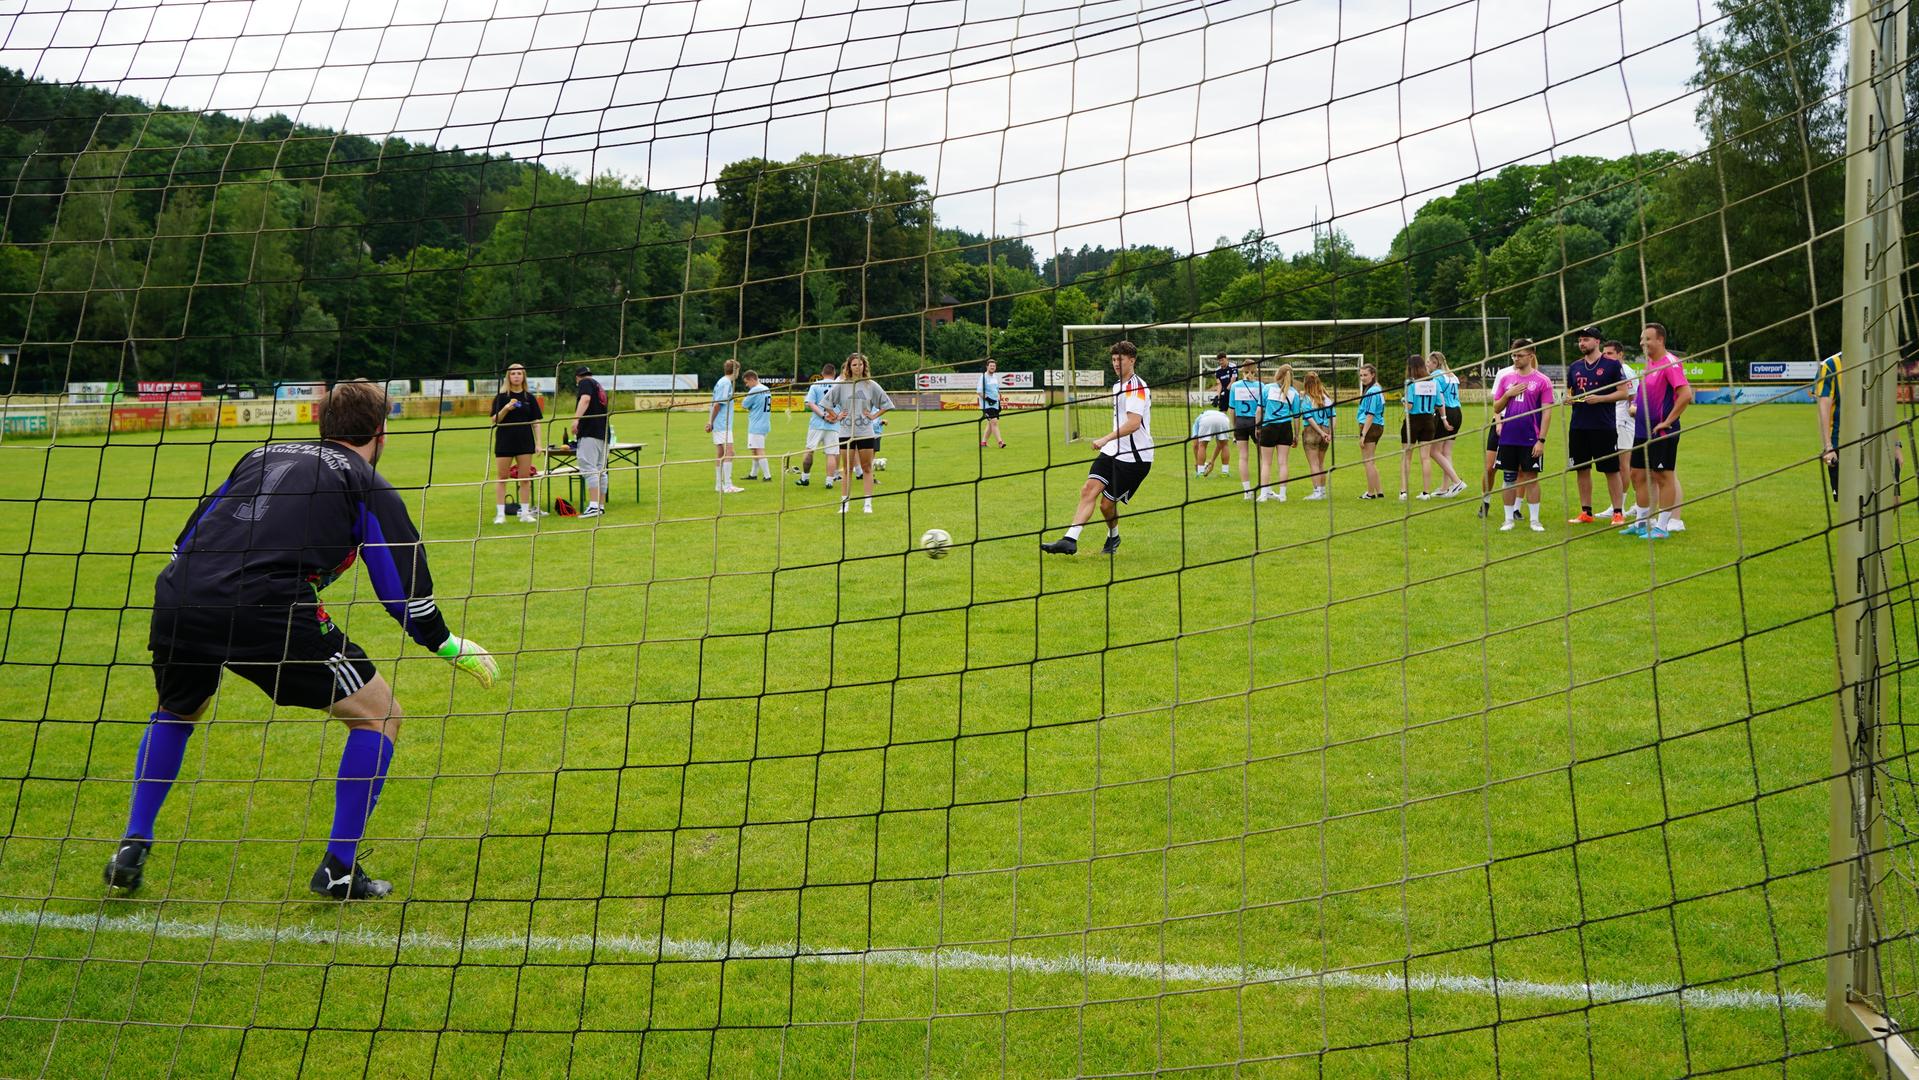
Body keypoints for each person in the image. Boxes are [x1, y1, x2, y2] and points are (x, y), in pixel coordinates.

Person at [108, 379, 498, 901]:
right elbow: (402, 589)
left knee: (178, 710)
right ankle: (338, 869)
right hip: (265, 605)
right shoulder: (365, 479)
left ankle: (133, 843)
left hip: (180, 593)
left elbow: (189, 535)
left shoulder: (259, 453)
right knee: (380, 715)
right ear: (380, 432)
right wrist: (446, 643)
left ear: (322, 424)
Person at [1042, 340, 1153, 555]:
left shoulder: (1137, 387)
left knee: (1106, 506)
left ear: (1132, 360)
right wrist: (1109, 443)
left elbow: (1133, 423)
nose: (1116, 363)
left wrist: (1105, 438)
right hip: (1113, 451)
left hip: (1135, 459)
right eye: (1113, 360)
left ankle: (1114, 537)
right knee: (1088, 489)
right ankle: (1070, 540)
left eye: (1120, 359)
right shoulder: (1116, 385)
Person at [1622, 323, 1693, 539]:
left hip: (1662, 432)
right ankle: (1642, 522)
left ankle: (1662, 527)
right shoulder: (1649, 364)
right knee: (1637, 474)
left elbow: (1686, 395)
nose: (1643, 343)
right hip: (1642, 430)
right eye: (1642, 339)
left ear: (1660, 340)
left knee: (1663, 476)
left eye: (1648, 339)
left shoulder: (1670, 363)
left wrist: (1668, 421)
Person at [1816, 350, 1908, 501]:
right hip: (1844, 447)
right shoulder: (1830, 365)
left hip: (1881, 443)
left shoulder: (1880, 363)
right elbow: (1823, 408)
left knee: (1893, 501)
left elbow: (1887, 407)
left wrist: (1896, 445)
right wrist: (1828, 447)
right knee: (1853, 507)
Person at [1564, 327, 1630, 524]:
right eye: (1580, 340)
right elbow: (1570, 392)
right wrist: (1568, 399)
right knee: (1581, 469)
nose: (1582, 343)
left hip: (1603, 426)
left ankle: (1618, 512)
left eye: (1586, 339)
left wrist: (1600, 399)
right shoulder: (1575, 366)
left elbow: (1623, 393)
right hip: (1578, 426)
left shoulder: (1611, 365)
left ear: (1597, 341)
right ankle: (1586, 512)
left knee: (1611, 469)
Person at [1492, 338, 1554, 532]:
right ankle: (1508, 519)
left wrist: (1541, 440)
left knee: (1531, 478)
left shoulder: (1542, 381)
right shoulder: (1506, 379)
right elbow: (1496, 407)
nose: (1515, 358)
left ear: (1531, 355)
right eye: (1514, 355)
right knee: (1508, 478)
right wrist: (1507, 395)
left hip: (1530, 438)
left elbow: (1547, 413)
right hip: (1508, 437)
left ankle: (1534, 520)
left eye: (1519, 355)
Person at [832, 353, 893, 514]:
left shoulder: (871, 385)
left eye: (860, 364)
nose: (857, 367)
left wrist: (873, 416)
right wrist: (837, 416)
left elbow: (887, 404)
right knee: (847, 469)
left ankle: (868, 504)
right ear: (848, 367)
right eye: (854, 365)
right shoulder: (842, 385)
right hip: (846, 432)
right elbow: (826, 402)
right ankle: (844, 503)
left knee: (867, 467)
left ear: (864, 366)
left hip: (866, 432)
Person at [490, 362, 543, 524]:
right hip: (505, 441)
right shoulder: (501, 397)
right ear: (508, 376)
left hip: (525, 442)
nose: (516, 376)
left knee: (525, 478)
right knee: (502, 477)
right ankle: (500, 514)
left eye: (519, 373)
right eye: (513, 374)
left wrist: (538, 443)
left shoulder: (529, 398)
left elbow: (536, 422)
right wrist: (506, 408)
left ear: (524, 376)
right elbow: (494, 420)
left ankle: (525, 513)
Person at [1424, 352, 1467, 497]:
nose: (1427, 365)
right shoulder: (1452, 375)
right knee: (1446, 452)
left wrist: (1442, 418)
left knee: (1433, 451)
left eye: (1428, 362)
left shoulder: (1436, 376)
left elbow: (1439, 397)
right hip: (1457, 412)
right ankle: (1445, 487)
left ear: (1435, 363)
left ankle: (1457, 482)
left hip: (1446, 412)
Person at [569, 365, 609, 518]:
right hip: (603, 432)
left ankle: (593, 506)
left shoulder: (585, 383)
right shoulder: (598, 385)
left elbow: (585, 400)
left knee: (588, 467)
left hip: (590, 431)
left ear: (577, 378)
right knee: (600, 470)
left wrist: (576, 420)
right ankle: (600, 505)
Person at [1479, 353, 1517, 519]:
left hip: (1521, 425)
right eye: (1515, 354)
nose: (1517, 357)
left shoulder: (1536, 376)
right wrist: (1499, 423)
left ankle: (1516, 508)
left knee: (1520, 470)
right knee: (1490, 467)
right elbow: (1497, 402)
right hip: (1501, 423)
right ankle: (1485, 501)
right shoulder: (1504, 373)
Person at [1606, 339, 1639, 524]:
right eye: (1605, 353)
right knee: (1620, 465)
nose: (1606, 357)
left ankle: (1620, 506)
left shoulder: (1624, 371)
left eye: (1610, 353)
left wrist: (1631, 412)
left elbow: (1633, 397)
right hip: (1615, 421)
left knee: (1623, 464)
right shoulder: (1613, 370)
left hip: (1624, 422)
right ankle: (1625, 504)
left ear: (1620, 354)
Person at [1255, 363, 1298, 502]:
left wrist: (1257, 427)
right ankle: (1283, 495)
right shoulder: (1294, 393)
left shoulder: (1267, 388)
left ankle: (1263, 494)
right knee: (1283, 463)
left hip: (1269, 427)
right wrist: (1296, 435)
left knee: (1266, 463)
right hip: (1286, 428)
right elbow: (1296, 417)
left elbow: (1259, 410)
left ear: (1278, 374)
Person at [1399, 354, 1437, 499]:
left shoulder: (1411, 384)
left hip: (1413, 421)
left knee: (1406, 457)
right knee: (1425, 458)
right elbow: (1438, 403)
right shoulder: (1433, 383)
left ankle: (1403, 492)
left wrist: (1403, 399)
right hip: (1428, 420)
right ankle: (1426, 493)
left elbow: (1409, 406)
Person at [797, 362, 841, 487]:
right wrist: (835, 417)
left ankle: (805, 478)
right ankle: (829, 482)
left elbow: (810, 403)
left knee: (810, 450)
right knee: (831, 453)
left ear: (822, 373)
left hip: (816, 423)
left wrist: (822, 415)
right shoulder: (839, 386)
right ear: (834, 374)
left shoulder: (815, 385)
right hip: (834, 424)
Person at [1228, 359, 1266, 499]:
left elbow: (1231, 410)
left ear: (1242, 371)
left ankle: (1247, 491)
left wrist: (1234, 428)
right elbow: (1263, 408)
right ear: (1255, 370)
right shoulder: (1261, 386)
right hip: (1256, 422)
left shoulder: (1235, 386)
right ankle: (1265, 489)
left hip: (1241, 422)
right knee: (1264, 458)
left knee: (1243, 457)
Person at [706, 358, 743, 494]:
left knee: (721, 453)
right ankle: (727, 485)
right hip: (723, 424)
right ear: (736, 370)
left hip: (721, 423)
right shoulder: (726, 383)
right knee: (729, 452)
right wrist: (710, 422)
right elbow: (717, 405)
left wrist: (710, 421)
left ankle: (719, 485)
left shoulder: (722, 382)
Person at [1298, 370, 1335, 499]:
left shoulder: (1306, 398)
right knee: (1321, 463)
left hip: (1312, 432)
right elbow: (1333, 417)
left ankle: (1317, 492)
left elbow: (1309, 418)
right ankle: (1323, 491)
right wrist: (1329, 433)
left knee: (1313, 463)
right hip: (1326, 429)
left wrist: (1320, 432)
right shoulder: (1327, 398)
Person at [1356, 363, 1386, 498]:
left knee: (1367, 461)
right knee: (1371, 461)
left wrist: (1363, 434)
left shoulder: (1373, 391)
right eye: (1361, 375)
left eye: (1365, 375)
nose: (1363, 378)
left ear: (1373, 375)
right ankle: (1379, 491)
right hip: (1376, 425)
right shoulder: (1375, 388)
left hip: (1371, 427)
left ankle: (1370, 493)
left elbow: (1370, 414)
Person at [740, 369, 774, 481]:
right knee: (754, 449)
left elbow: (744, 404)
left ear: (752, 379)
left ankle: (767, 476)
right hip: (765, 423)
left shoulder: (755, 390)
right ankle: (753, 474)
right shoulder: (766, 388)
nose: (747, 385)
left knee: (759, 450)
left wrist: (749, 406)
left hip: (756, 425)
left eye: (747, 382)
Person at [1190, 406, 1232, 476]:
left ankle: (1200, 472)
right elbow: (1220, 446)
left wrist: (1197, 462)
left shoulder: (1196, 423)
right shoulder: (1205, 416)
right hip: (1224, 419)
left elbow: (1195, 445)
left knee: (1202, 445)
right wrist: (1212, 461)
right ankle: (1225, 472)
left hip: (1206, 420)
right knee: (1224, 445)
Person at [979, 359, 1006, 448]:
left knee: (991, 423)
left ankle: (983, 442)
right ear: (987, 367)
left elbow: (997, 390)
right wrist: (988, 399)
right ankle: (1000, 442)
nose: (992, 367)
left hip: (995, 404)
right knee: (994, 422)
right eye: (991, 366)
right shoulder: (983, 377)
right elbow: (979, 392)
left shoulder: (995, 377)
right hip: (986, 405)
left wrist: (998, 401)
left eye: (994, 366)